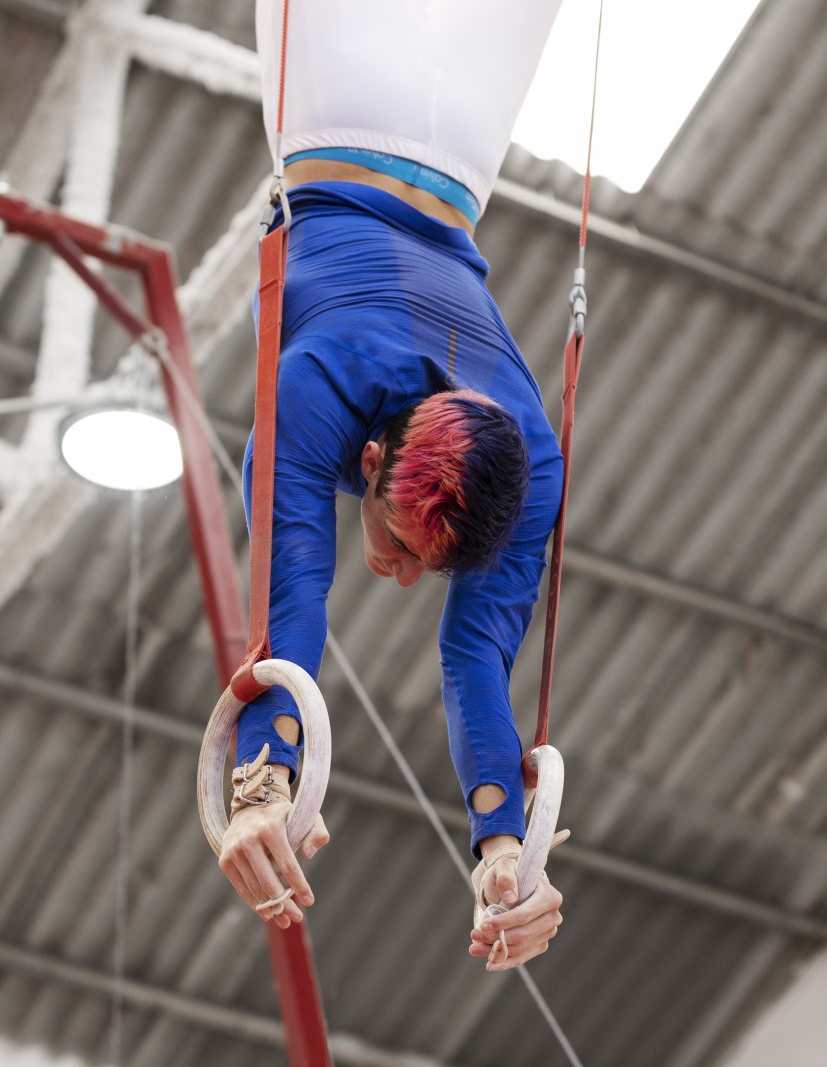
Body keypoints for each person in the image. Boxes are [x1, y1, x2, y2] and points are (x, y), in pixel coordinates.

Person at [217, 0, 569, 973]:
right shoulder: (318, 385)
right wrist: (261, 784)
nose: (403, 577)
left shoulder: (531, 460)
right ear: (367, 462)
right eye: (403, 546)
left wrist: (506, 849)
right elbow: (290, 594)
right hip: (338, 100)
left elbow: (473, 657)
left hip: (460, 140)